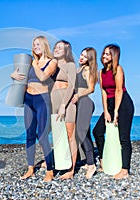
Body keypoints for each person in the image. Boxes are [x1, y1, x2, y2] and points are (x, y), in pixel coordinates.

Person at [11, 36, 57, 182]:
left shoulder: (52, 62)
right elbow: (21, 78)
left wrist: (35, 63)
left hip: (42, 100)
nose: (36, 47)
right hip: (28, 99)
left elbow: (43, 77)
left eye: (38, 44)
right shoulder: (29, 63)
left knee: (42, 136)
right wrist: (13, 75)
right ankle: (30, 168)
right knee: (30, 135)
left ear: (44, 45)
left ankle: (50, 171)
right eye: (34, 45)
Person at [92, 44, 134, 180]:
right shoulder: (101, 72)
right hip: (110, 104)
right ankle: (104, 160)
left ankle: (125, 169)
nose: (104, 56)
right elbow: (103, 92)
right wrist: (106, 111)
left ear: (114, 56)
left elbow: (119, 90)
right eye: (103, 53)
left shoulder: (118, 69)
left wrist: (116, 111)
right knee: (97, 131)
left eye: (108, 54)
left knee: (124, 137)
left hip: (123, 104)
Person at [50, 40, 77, 179]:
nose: (56, 49)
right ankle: (61, 162)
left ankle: (71, 170)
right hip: (52, 101)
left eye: (60, 47)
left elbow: (71, 86)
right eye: (55, 47)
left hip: (65, 103)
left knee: (70, 135)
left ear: (66, 50)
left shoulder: (70, 65)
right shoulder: (51, 65)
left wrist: (63, 105)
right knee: (58, 135)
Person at [71, 47, 98, 179]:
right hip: (78, 103)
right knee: (84, 132)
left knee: (80, 132)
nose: (81, 57)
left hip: (85, 102)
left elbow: (91, 89)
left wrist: (78, 95)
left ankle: (92, 165)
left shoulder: (88, 70)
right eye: (81, 55)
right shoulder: (79, 69)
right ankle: (88, 160)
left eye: (85, 56)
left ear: (90, 59)